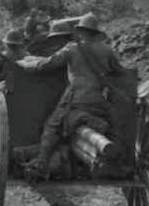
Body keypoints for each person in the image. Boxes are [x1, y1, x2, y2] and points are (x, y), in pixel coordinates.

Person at [16, 13, 126, 179]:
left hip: (75, 101)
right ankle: (117, 161)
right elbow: (121, 73)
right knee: (116, 126)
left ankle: (42, 163)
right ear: (96, 33)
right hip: (100, 102)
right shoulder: (107, 50)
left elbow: (47, 64)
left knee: (51, 127)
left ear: (80, 32)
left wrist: (26, 63)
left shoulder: (72, 49)